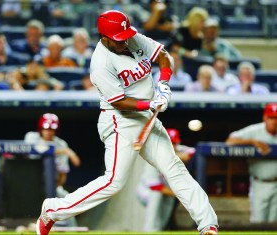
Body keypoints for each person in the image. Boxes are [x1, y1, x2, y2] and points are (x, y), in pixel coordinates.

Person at [36, 10, 218, 235]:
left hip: (146, 118)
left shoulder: (131, 37)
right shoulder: (100, 63)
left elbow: (164, 56)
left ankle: (207, 224)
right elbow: (120, 102)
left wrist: (163, 84)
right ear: (104, 38)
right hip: (119, 120)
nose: (125, 42)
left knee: (174, 168)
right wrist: (149, 105)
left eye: (125, 36)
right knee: (114, 181)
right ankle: (53, 209)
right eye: (118, 39)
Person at [25, 113, 81, 227]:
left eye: (52, 129)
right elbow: (38, 151)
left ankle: (73, 229)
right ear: (40, 129)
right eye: (46, 129)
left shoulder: (61, 144)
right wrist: (65, 151)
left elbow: (63, 174)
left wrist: (53, 189)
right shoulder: (31, 137)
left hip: (50, 185)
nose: (49, 132)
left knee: (65, 197)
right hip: (28, 183)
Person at [225, 103, 277, 223]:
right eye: (271, 118)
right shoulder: (255, 130)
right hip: (260, 183)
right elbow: (229, 141)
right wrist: (252, 142)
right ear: (265, 118)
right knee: (258, 222)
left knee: (275, 224)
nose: (274, 122)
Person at [137, 128, 195, 232]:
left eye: (174, 143)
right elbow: (155, 187)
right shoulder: (153, 155)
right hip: (145, 191)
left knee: (169, 199)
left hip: (165, 191)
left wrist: (175, 156)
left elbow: (194, 152)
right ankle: (149, 230)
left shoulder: (177, 149)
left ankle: (160, 229)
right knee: (156, 195)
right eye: (169, 142)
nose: (172, 145)